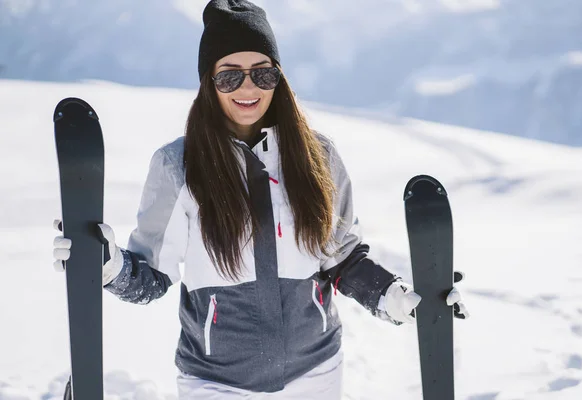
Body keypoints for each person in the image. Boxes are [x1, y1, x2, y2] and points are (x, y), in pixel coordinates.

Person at [52, 0, 469, 398]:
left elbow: (342, 259)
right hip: (215, 383)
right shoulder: (177, 167)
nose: (247, 87)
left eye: (262, 73)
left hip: (316, 373)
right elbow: (152, 276)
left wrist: (395, 298)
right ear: (208, 83)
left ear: (279, 78)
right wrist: (107, 266)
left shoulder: (318, 157)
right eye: (229, 75)